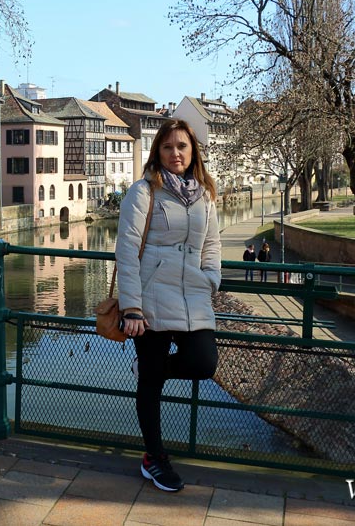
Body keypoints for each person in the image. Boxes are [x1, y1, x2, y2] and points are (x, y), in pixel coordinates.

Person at [116, 119, 220, 493]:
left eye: (182, 147)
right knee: (151, 382)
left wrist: (211, 277)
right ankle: (154, 458)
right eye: (167, 147)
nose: (175, 154)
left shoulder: (206, 195)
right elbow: (126, 251)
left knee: (203, 363)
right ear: (157, 152)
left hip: (193, 292)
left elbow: (212, 244)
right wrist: (131, 308)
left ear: (193, 152)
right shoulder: (144, 192)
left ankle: (151, 370)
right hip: (151, 294)